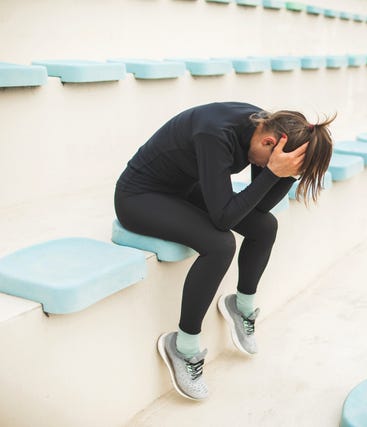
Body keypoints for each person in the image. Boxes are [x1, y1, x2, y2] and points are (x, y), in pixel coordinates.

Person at [114, 102, 334, 400]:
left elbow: (261, 207)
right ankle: (183, 348)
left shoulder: (267, 129)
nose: (266, 168)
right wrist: (271, 172)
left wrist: (285, 173)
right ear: (270, 142)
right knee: (220, 244)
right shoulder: (215, 134)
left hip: (185, 190)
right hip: (140, 197)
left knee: (265, 226)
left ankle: (241, 306)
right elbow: (224, 220)